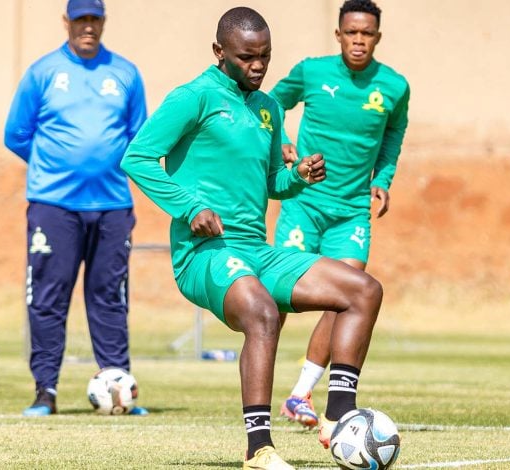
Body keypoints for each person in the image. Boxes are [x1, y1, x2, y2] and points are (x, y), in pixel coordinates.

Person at [120, 7, 382, 469]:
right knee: (262, 313)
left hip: (256, 251)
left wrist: (297, 176)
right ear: (219, 52)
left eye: (265, 56)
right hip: (204, 253)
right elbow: (138, 158)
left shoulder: (268, 108)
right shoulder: (194, 97)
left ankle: (339, 417)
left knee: (362, 290)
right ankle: (258, 448)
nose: (258, 66)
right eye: (246, 57)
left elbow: (270, 183)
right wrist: (189, 207)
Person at [268, 0, 410, 429]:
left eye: (367, 33)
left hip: (351, 214)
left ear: (377, 37)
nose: (359, 40)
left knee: (346, 297)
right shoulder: (312, 71)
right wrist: (281, 145)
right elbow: (271, 103)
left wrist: (382, 179)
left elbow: (393, 135)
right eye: (352, 33)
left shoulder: (394, 86)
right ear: (338, 34)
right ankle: (256, 394)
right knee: (276, 302)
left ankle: (299, 395)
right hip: (303, 205)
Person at [4, 0, 148, 417]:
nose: (88, 26)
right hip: (54, 206)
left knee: (109, 297)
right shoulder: (43, 72)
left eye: (95, 19)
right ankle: (45, 391)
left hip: (113, 206)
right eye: (81, 19)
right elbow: (16, 135)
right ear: (67, 21)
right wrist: (55, 168)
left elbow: (140, 139)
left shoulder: (125, 74)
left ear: (103, 22)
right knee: (48, 298)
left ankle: (118, 389)